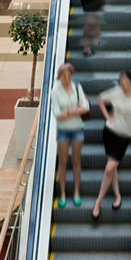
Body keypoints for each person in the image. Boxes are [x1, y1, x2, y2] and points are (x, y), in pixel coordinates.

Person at [92, 70, 131, 221]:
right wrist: (107, 114)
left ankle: (98, 202)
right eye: (121, 83)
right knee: (111, 167)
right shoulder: (116, 92)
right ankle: (117, 196)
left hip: (123, 138)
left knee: (109, 168)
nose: (123, 86)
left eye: (126, 83)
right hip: (109, 132)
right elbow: (100, 98)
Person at [49, 61, 89, 206]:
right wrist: (75, 111)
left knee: (76, 161)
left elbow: (85, 107)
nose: (66, 79)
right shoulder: (55, 90)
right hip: (63, 130)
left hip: (77, 128)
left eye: (68, 75)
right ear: (59, 76)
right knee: (63, 161)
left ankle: (76, 191)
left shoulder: (77, 88)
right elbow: (56, 113)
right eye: (63, 76)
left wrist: (69, 112)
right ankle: (63, 193)